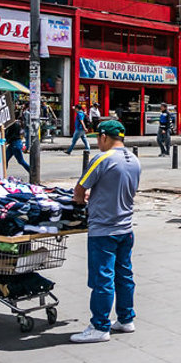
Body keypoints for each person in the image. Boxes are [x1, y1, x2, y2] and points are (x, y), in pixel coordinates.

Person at [70, 120, 141, 343]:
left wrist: (82, 202)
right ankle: (126, 318)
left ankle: (100, 326)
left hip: (103, 230)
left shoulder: (102, 158)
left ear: (103, 137)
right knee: (124, 275)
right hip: (125, 227)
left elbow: (80, 189)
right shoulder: (135, 160)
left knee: (103, 278)